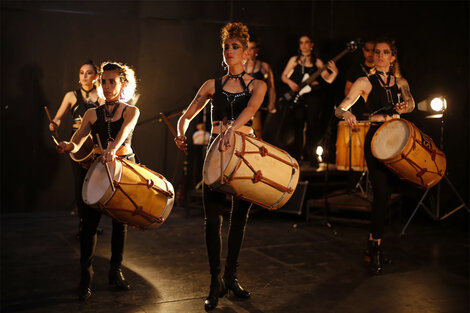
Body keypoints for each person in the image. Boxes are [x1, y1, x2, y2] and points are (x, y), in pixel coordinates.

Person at [174, 22, 267, 311]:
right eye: (226, 47)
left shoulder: (258, 85)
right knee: (213, 220)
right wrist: (180, 130)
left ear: (246, 52)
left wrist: (231, 130)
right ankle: (216, 282)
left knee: (239, 219)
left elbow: (251, 111)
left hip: (244, 152)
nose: (229, 51)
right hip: (216, 152)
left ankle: (232, 276)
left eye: (235, 46)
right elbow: (187, 115)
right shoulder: (211, 85)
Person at [57, 61, 140, 300]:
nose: (106, 86)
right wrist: (68, 145)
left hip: (124, 170)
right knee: (89, 223)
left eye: (111, 81)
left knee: (119, 224)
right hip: (99, 169)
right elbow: (78, 139)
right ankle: (85, 278)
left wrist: (112, 148)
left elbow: (123, 134)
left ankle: (115, 273)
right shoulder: (92, 113)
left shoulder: (131, 111)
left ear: (122, 84)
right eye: (103, 81)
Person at [335, 39, 415, 274]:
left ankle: (373, 244)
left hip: (397, 141)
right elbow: (339, 108)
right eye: (377, 52)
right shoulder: (364, 82)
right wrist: (346, 113)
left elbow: (411, 103)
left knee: (387, 194)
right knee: (381, 192)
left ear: (392, 57)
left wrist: (406, 106)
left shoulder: (401, 82)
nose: (380, 56)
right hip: (376, 139)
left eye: (385, 52)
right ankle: (375, 247)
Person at [48, 60, 103, 234]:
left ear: (96, 76)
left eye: (88, 73)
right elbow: (57, 117)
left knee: (95, 183)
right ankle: (82, 222)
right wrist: (54, 124)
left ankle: (93, 223)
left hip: (95, 143)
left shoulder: (101, 95)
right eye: (81, 72)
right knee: (80, 182)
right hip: (77, 143)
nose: (84, 76)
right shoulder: (71, 95)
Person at [281, 34, 338, 166]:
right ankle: (297, 158)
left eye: (307, 42)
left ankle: (312, 157)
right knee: (298, 126)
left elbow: (328, 79)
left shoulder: (317, 61)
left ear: (311, 45)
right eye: (301, 43)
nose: (304, 45)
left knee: (313, 126)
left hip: (314, 96)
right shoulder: (295, 60)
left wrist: (334, 72)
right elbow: (284, 76)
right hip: (299, 96)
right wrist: (290, 83)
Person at [244, 34, 276, 138]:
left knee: (257, 131)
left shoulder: (264, 66)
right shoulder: (241, 65)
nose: (249, 51)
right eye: (247, 48)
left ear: (257, 50)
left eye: (252, 48)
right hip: (243, 103)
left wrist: (271, 103)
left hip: (258, 104)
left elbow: (271, 87)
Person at [344, 39, 375, 120]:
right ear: (363, 49)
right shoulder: (355, 69)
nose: (370, 54)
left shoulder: (381, 70)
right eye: (368, 50)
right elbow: (347, 90)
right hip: (358, 111)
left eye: (374, 50)